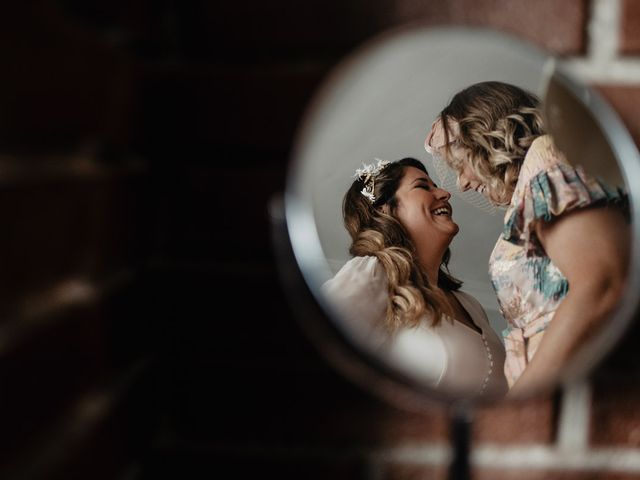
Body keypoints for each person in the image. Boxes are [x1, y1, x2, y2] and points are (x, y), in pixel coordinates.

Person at [425, 81, 630, 396]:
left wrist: (520, 404)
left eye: (461, 164)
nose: (462, 184)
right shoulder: (530, 190)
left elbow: (601, 285)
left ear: (483, 137)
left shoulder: (546, 157)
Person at [321, 157, 508, 398]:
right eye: (423, 186)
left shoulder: (469, 304)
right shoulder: (372, 273)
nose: (444, 193)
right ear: (385, 210)